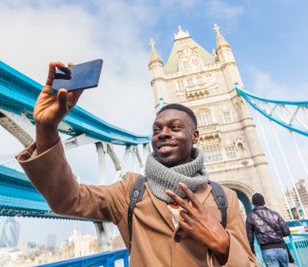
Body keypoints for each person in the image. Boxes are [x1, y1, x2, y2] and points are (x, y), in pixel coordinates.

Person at [16, 62, 257, 267]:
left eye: (174, 128)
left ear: (195, 136)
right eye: (156, 129)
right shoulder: (130, 191)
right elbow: (67, 199)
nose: (163, 133)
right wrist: (46, 129)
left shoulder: (224, 198)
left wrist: (224, 244)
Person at [245, 193, 290, 267]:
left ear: (253, 203)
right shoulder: (275, 214)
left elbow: (249, 237)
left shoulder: (250, 216)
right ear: (264, 202)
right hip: (281, 248)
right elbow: (286, 232)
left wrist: (252, 251)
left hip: (267, 249)